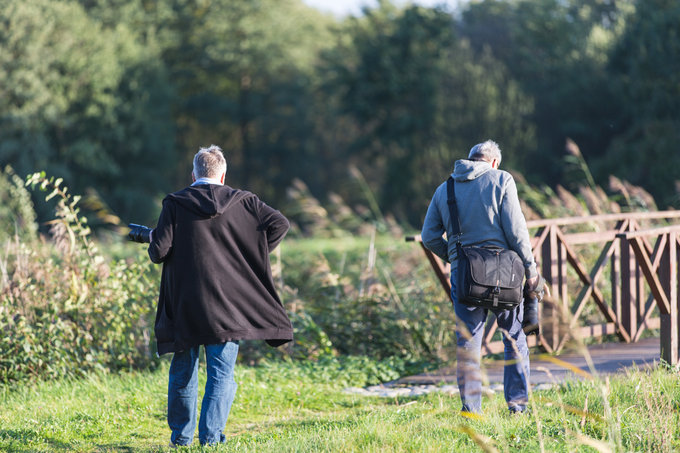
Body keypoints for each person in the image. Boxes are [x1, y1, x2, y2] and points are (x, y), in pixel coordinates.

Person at [129, 145, 293, 446]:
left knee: (183, 371)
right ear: (223, 175)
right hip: (229, 304)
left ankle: (181, 439)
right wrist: (251, 256)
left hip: (184, 303)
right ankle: (212, 439)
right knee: (221, 374)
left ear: (193, 174)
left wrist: (153, 238)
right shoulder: (246, 201)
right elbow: (280, 224)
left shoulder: (175, 203)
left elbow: (159, 252)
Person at [421, 140, 539, 414]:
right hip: (506, 276)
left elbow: (429, 237)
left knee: (469, 343)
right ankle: (518, 407)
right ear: (494, 162)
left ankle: (471, 410)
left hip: (465, 278)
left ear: (470, 159)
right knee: (514, 338)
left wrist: (457, 258)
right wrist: (531, 271)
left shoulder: (445, 188)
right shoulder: (502, 179)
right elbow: (517, 232)